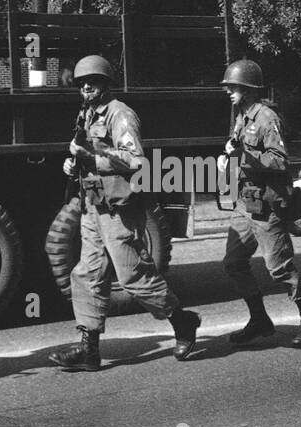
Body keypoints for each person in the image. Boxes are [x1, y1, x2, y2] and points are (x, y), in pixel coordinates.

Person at [50, 55, 201, 371]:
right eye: (82, 83)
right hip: (93, 205)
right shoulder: (87, 115)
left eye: (93, 81)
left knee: (133, 277)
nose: (86, 87)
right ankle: (89, 349)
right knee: (87, 274)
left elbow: (135, 160)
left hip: (118, 210)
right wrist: (73, 165)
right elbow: (84, 155)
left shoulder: (120, 114)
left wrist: (92, 159)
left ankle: (182, 321)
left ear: (106, 84)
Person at [219, 59, 301, 348]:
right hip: (246, 202)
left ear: (248, 88)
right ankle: (259, 320)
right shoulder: (242, 116)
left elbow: (279, 161)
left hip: (267, 205)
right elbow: (239, 150)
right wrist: (228, 157)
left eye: (233, 86)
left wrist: (243, 157)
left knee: (279, 268)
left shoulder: (266, 118)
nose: (228, 91)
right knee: (234, 263)